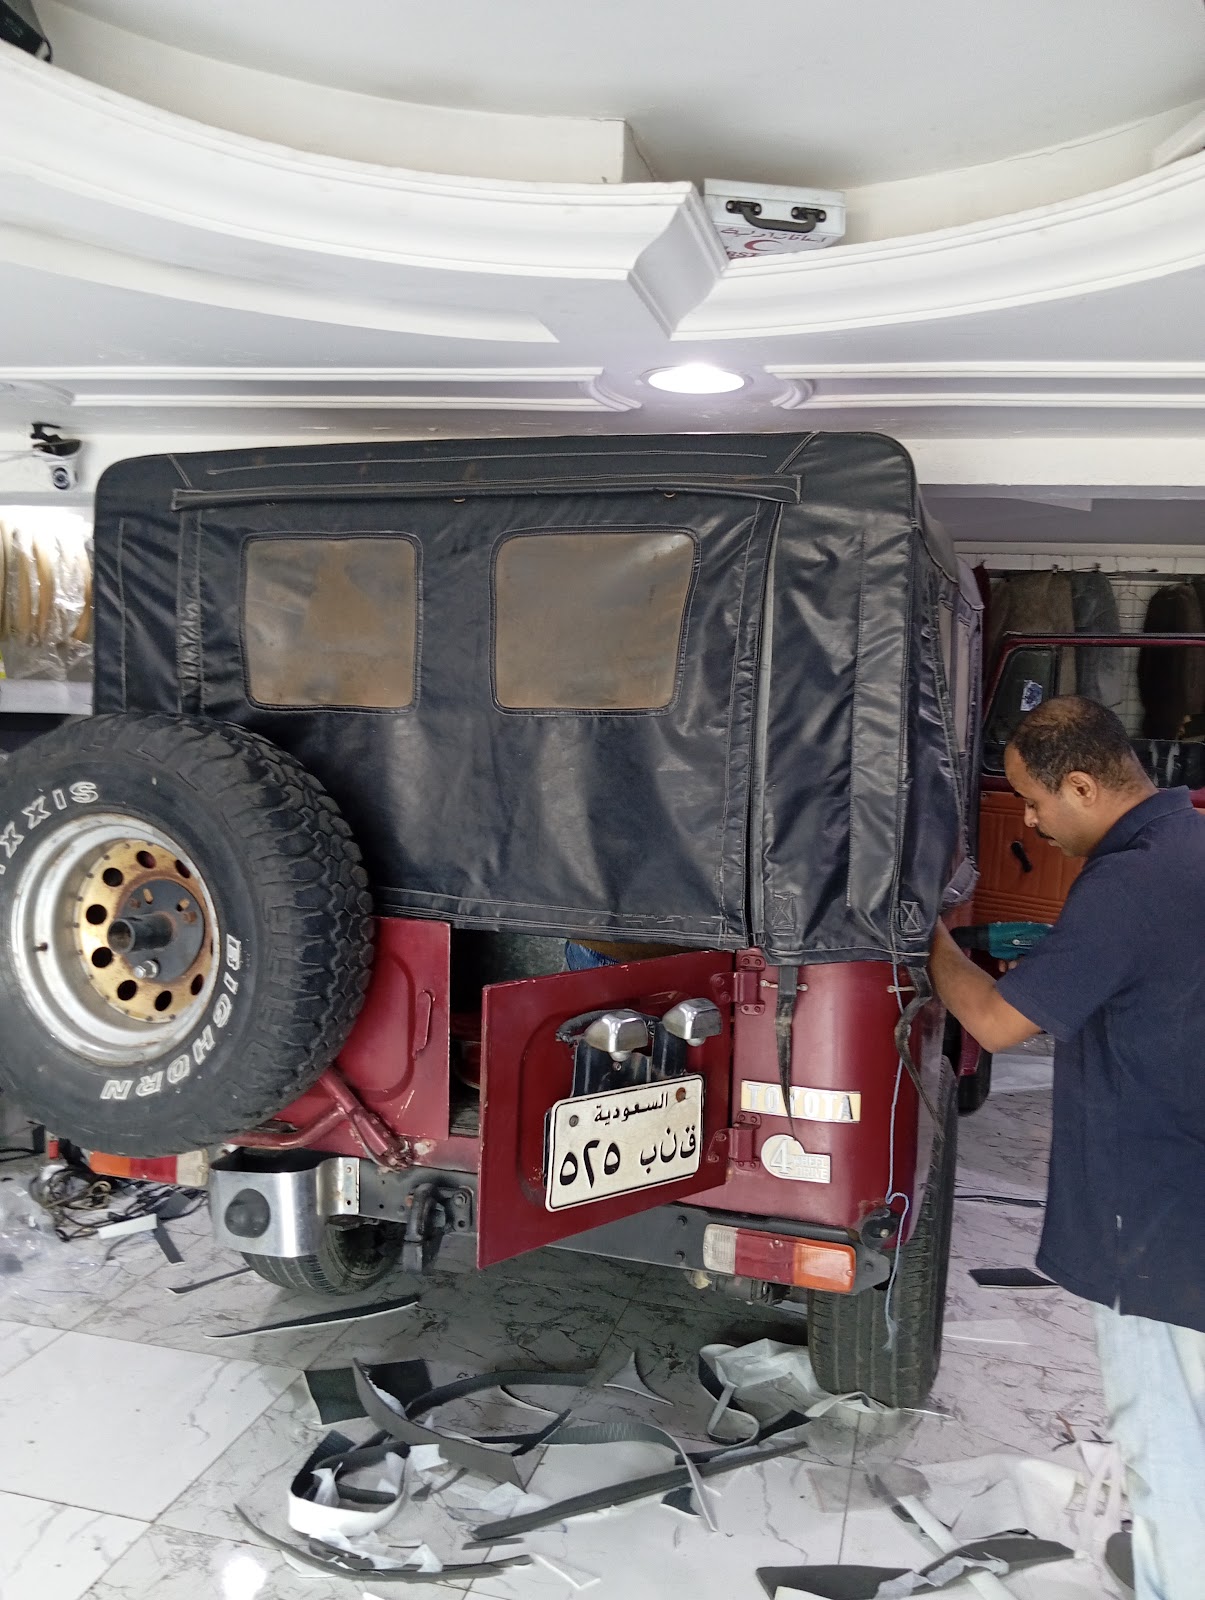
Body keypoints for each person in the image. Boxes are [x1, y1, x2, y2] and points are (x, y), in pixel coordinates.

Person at [929, 696, 1205, 1600]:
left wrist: (928, 941)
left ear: (1081, 785)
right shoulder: (1189, 846)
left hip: (1158, 1217)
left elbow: (994, 1021)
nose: (1030, 822)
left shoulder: (1127, 882)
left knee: (1165, 1435)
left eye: (1035, 800)